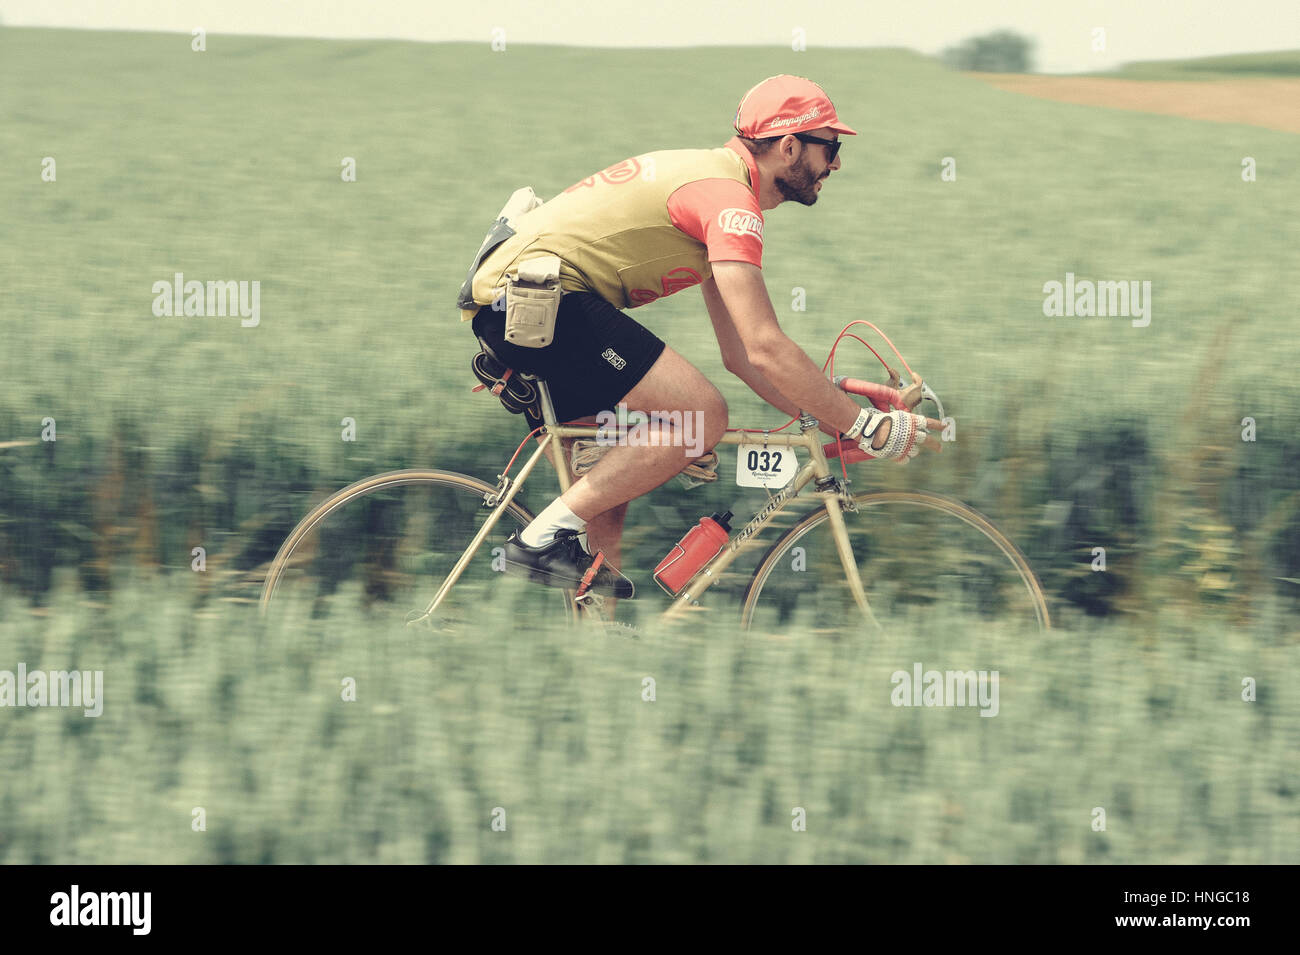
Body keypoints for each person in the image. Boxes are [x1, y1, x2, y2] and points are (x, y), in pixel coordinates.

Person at [461, 74, 932, 600]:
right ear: (790, 146)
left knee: (606, 493)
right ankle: (535, 541)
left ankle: (596, 652)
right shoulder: (730, 205)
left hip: (522, 306)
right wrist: (866, 425)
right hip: (540, 303)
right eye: (832, 147)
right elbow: (766, 346)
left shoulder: (715, 186)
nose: (837, 163)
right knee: (701, 416)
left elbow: (743, 359)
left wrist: (831, 417)